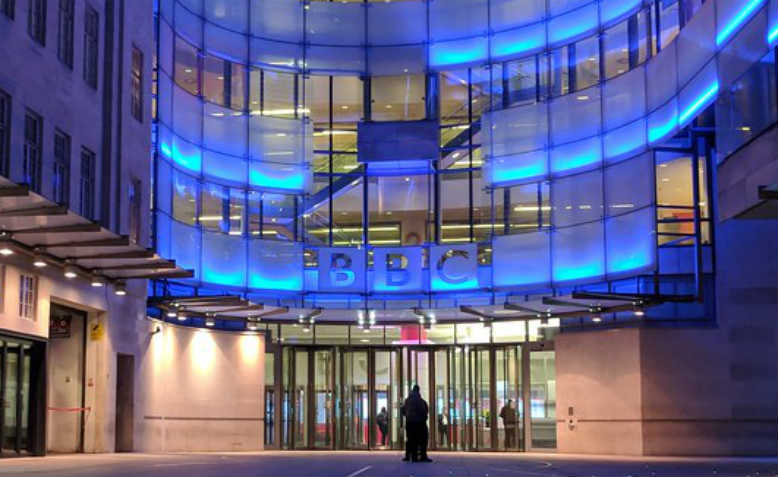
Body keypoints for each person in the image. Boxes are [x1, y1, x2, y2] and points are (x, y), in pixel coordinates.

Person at [401, 385, 432, 462]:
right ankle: (423, 456)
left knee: (410, 440)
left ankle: (410, 456)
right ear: (418, 390)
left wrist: (408, 416)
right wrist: (424, 418)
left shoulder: (407, 400)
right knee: (423, 439)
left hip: (409, 423)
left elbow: (403, 410)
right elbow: (424, 410)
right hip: (419, 423)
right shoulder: (420, 400)